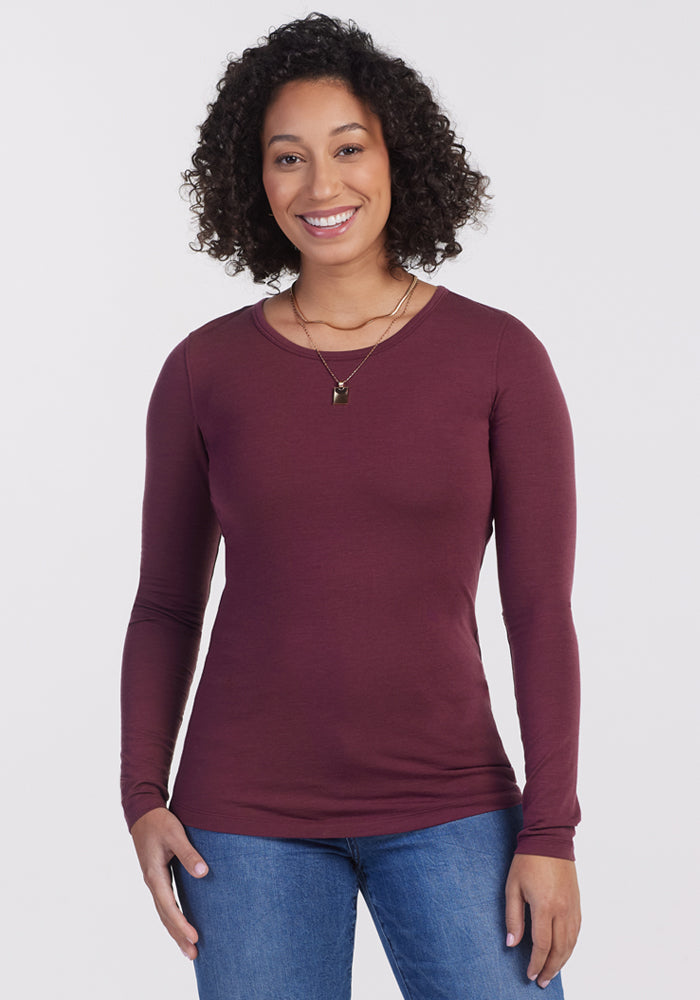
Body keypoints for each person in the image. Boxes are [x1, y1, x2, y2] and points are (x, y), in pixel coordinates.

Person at [120, 13, 582, 1000]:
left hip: (452, 803)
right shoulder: (206, 369)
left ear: (394, 156)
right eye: (288, 158)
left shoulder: (497, 357)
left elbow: (538, 610)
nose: (321, 186)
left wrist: (549, 831)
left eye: (347, 148)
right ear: (256, 179)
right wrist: (141, 796)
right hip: (240, 823)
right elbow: (166, 603)